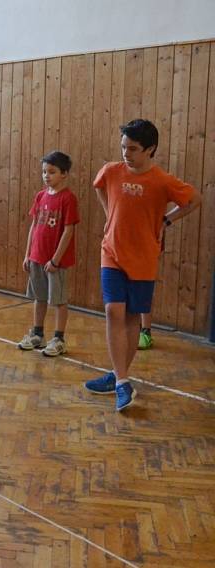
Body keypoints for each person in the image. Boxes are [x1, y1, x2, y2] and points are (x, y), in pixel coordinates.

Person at [84, 119, 200, 411]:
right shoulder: (111, 171)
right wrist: (109, 214)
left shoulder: (162, 180)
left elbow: (194, 199)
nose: (126, 153)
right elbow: (98, 186)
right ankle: (123, 381)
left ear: (150, 149)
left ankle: (117, 374)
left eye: (133, 149)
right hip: (111, 253)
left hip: (144, 258)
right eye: (123, 146)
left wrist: (167, 220)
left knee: (133, 317)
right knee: (113, 311)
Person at [17, 151, 80, 357]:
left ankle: (59, 338)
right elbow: (34, 226)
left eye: (51, 172)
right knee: (39, 297)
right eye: (44, 171)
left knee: (59, 300)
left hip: (55, 262)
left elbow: (68, 231)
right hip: (37, 257)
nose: (46, 176)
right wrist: (28, 254)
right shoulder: (40, 196)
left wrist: (56, 259)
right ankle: (37, 334)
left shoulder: (68, 199)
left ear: (64, 174)